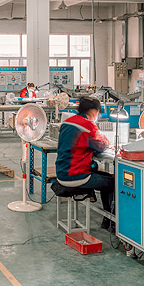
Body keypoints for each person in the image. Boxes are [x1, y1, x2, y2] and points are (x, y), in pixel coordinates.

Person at [56, 96, 115, 228]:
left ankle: (108, 219)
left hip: (61, 173)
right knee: (112, 183)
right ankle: (111, 220)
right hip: (76, 176)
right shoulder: (87, 125)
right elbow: (102, 145)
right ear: (93, 111)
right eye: (98, 112)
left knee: (104, 176)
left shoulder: (67, 122)